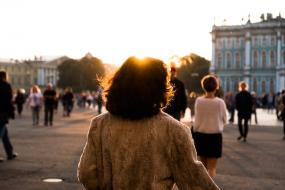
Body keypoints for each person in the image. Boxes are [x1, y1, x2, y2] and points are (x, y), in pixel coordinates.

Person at [77, 57, 220, 190]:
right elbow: (193, 181)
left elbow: (86, 173)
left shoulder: (100, 124)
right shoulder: (174, 130)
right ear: (160, 88)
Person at [192, 75, 227, 178]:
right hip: (215, 137)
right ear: (216, 87)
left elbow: (197, 119)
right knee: (212, 168)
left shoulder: (199, 101)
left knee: (203, 167)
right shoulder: (220, 102)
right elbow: (225, 119)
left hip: (200, 135)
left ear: (203, 86)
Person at [0, 71, 18, 161]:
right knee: (1, 132)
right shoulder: (6, 85)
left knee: (4, 134)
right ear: (4, 77)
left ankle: (10, 153)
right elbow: (9, 100)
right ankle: (9, 153)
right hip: (2, 113)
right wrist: (11, 112)